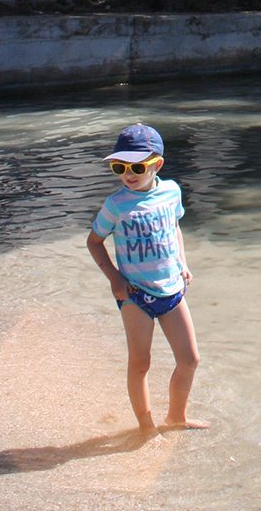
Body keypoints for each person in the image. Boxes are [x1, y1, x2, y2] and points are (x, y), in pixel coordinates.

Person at [86, 122, 207, 433]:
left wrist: (182, 262)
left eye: (137, 167)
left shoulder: (171, 192)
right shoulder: (116, 205)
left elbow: (174, 227)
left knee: (190, 359)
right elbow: (94, 242)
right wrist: (114, 278)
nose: (128, 174)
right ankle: (146, 427)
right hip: (135, 294)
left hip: (171, 289)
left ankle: (176, 417)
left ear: (157, 165)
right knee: (140, 362)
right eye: (120, 167)